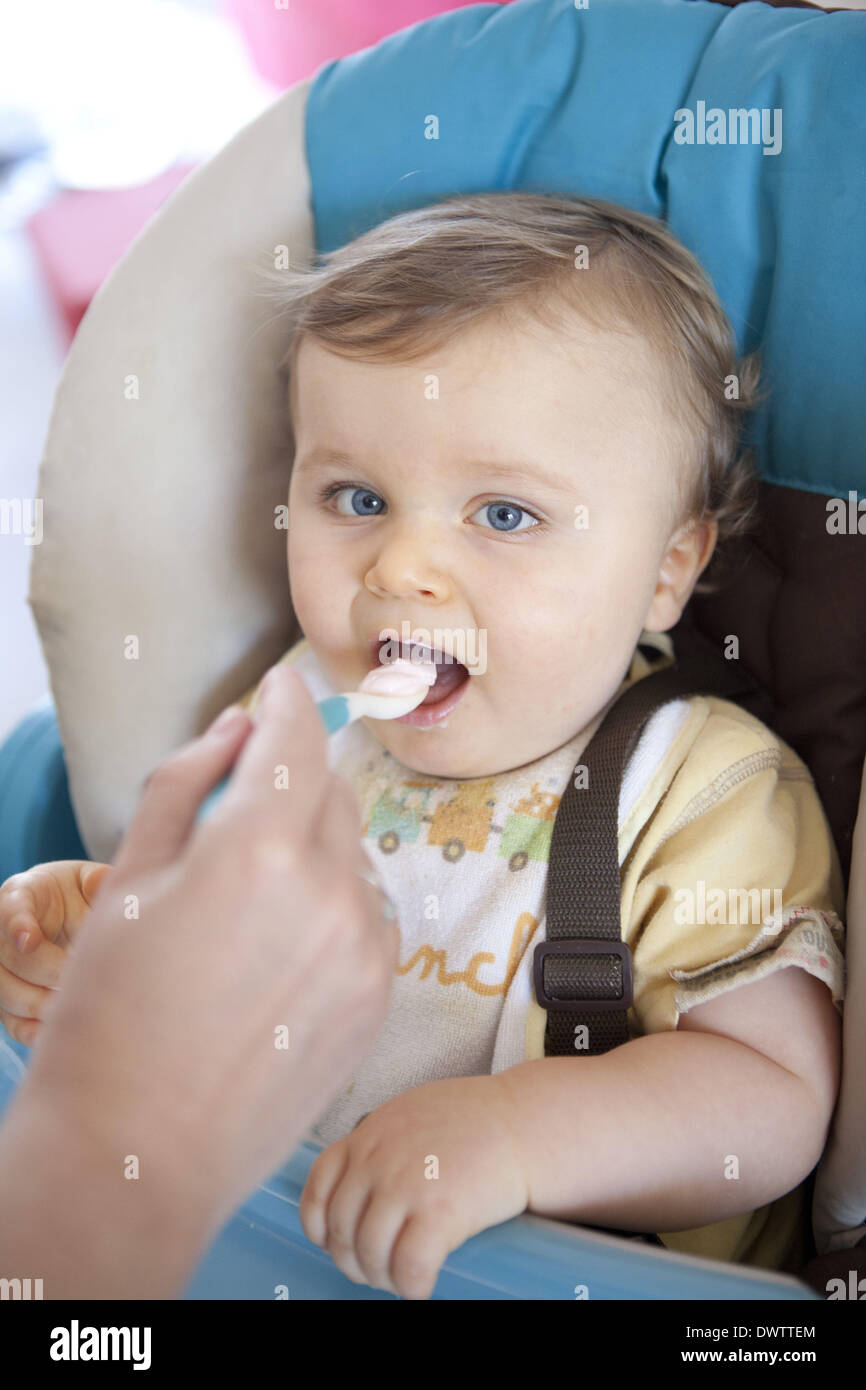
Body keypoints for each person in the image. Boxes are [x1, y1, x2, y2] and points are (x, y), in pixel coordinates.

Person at [1, 194, 847, 1302]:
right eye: (356, 496)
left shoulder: (703, 791)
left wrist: (507, 1135)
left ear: (663, 569)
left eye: (502, 515)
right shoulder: (296, 714)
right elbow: (238, 962)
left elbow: (772, 1095)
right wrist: (128, 949)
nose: (400, 568)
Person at [0, 661, 395, 1299]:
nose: (400, 567)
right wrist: (104, 944)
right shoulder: (284, 730)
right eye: (350, 547)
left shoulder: (618, 810)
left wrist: (511, 1132)